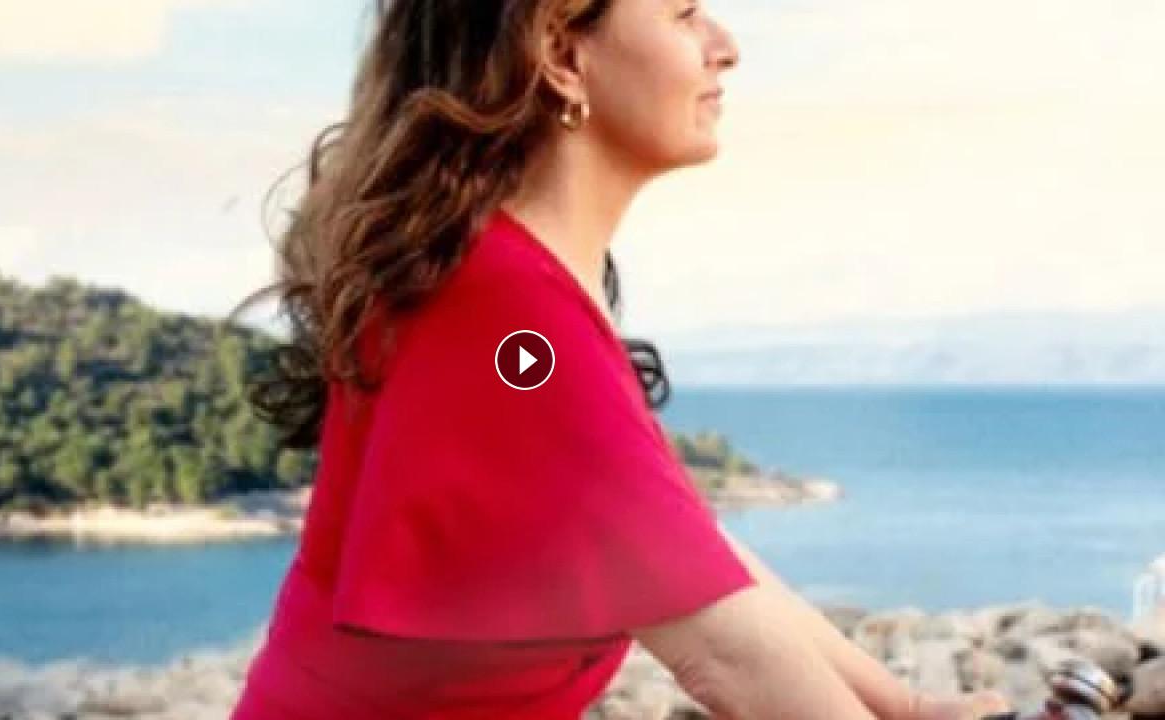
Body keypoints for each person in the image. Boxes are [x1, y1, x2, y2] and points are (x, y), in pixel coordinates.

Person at [227, 0, 1016, 718]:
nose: (725, 46)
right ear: (561, 54)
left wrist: (907, 707)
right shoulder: (504, 316)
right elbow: (724, 657)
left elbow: (695, 557)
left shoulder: (513, 281)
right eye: (684, 13)